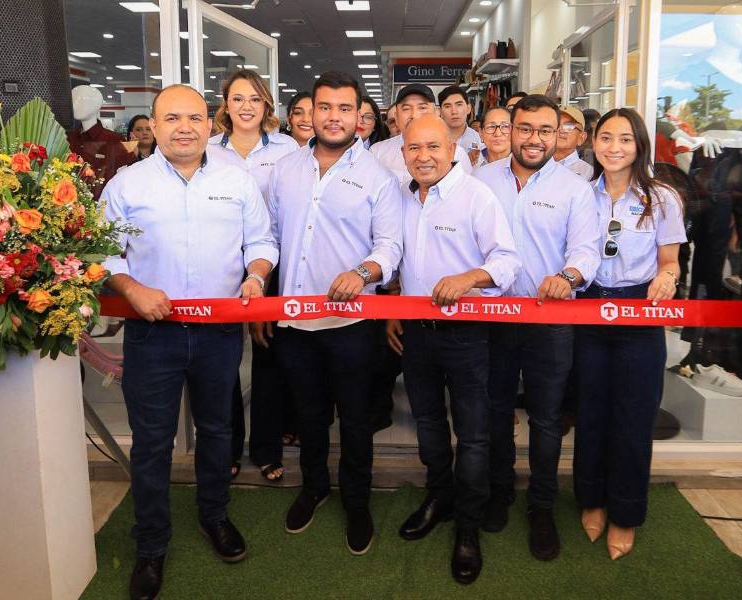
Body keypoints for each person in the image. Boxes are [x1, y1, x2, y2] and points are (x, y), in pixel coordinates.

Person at [102, 84, 279, 600]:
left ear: (211, 123)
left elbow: (262, 240)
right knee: (152, 443)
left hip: (219, 334)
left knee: (218, 431)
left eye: (195, 117)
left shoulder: (235, 179)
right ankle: (151, 543)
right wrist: (131, 287)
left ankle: (214, 516)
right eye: (172, 117)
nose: (185, 127)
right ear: (152, 127)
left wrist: (257, 275)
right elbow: (101, 250)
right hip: (151, 336)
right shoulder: (127, 184)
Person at [267, 71, 402, 555]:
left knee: (357, 418)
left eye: (345, 109)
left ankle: (357, 500)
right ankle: (315, 486)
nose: (333, 117)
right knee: (307, 414)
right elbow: (269, 240)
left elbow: (390, 245)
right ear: (310, 112)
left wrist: (363, 272)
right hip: (295, 321)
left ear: (359, 117)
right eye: (325, 107)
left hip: (353, 324)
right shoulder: (284, 169)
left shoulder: (378, 178)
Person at [386, 114, 519, 585]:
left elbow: (507, 260)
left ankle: (468, 524)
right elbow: (400, 259)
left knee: (474, 434)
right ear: (403, 152)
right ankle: (439, 496)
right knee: (427, 423)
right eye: (413, 148)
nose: (423, 156)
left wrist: (468, 278)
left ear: (453, 149)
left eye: (433, 147)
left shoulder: (476, 196)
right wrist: (395, 308)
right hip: (417, 333)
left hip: (467, 332)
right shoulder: (401, 196)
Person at [475, 94, 600, 561]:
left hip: (550, 321)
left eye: (545, 131)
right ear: (510, 130)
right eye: (524, 128)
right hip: (492, 318)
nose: (534, 139)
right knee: (495, 411)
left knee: (547, 419)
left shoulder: (575, 188)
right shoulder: (481, 180)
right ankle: (500, 491)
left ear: (559, 135)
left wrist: (568, 277)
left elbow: (586, 251)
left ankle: (542, 504)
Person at [574, 108, 685, 559]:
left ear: (639, 145)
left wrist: (668, 279)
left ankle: (626, 514)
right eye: (605, 138)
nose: (614, 147)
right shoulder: (580, 196)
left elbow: (670, 262)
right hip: (587, 308)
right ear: (593, 142)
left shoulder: (663, 199)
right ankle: (592, 501)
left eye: (624, 139)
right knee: (591, 411)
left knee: (634, 417)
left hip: (639, 312)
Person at [207, 68, 300, 483]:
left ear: (267, 105)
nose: (247, 107)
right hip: (220, 263)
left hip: (271, 265)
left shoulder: (289, 150)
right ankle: (227, 448)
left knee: (268, 360)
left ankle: (265, 448)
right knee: (222, 362)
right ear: (225, 104)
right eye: (238, 98)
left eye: (255, 99)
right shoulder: (207, 149)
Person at [370, 83, 474, 184]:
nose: (414, 115)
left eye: (422, 107)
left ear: (437, 113)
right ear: (396, 117)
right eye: (406, 109)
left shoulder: (456, 153)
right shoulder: (377, 153)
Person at [439, 85, 482, 153]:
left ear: (468, 108)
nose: (454, 111)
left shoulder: (479, 139)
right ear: (440, 112)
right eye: (447, 106)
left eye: (459, 105)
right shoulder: (432, 139)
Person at [554, 106, 593, 180]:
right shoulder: (536, 164)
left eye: (569, 126)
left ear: (581, 138)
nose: (561, 130)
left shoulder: (588, 173)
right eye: (556, 124)